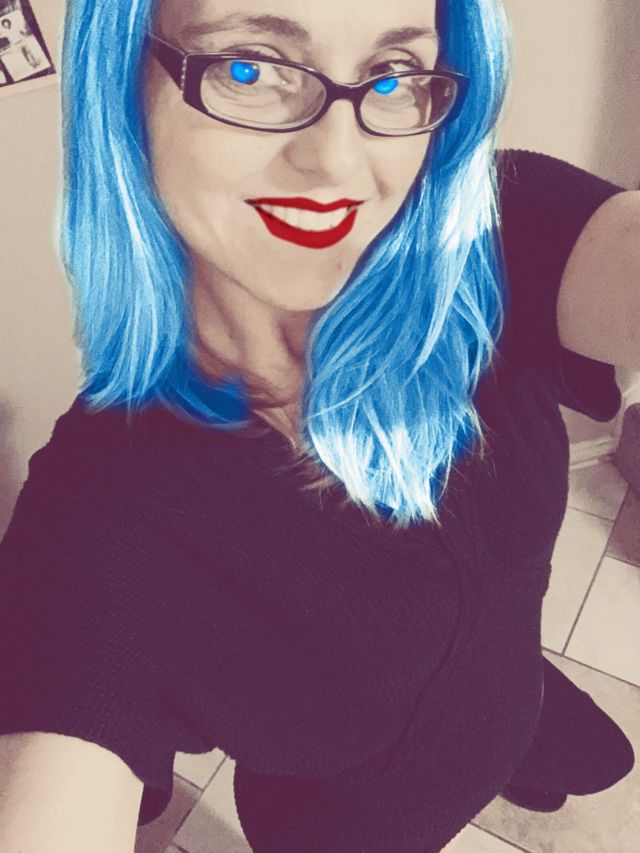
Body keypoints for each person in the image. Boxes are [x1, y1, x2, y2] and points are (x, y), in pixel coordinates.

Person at [0, 1, 636, 851]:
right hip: (351, 828)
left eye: (395, 75)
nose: (339, 158)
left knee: (565, 743)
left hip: (512, 692)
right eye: (250, 67)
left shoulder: (489, 239)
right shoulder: (95, 527)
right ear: (121, 84)